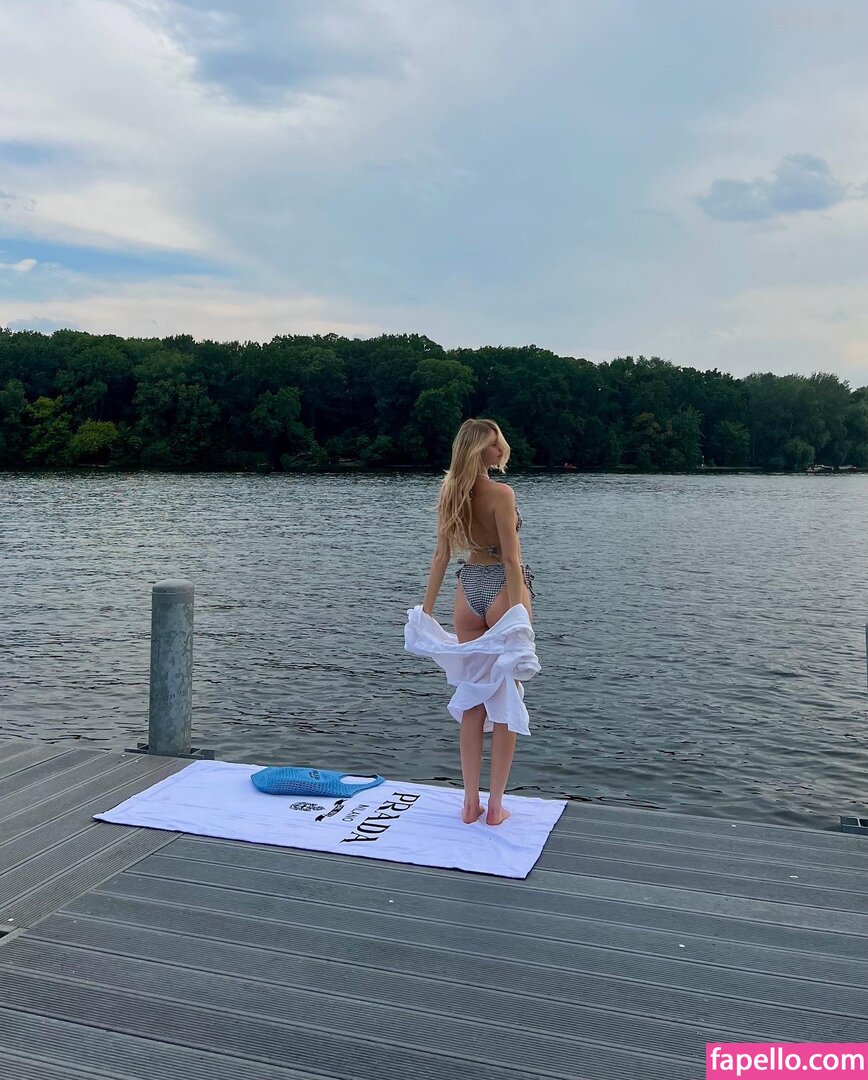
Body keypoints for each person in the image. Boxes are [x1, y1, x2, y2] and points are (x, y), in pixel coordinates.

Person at [421, 418, 535, 826]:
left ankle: (469, 803)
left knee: (473, 697)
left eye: (499, 440)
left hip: (467, 588)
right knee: (506, 696)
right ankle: (495, 806)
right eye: (492, 443)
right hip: (503, 587)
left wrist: (426, 612)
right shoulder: (502, 493)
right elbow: (511, 560)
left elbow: (441, 556)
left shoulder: (450, 491)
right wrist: (518, 614)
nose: (500, 448)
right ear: (477, 451)